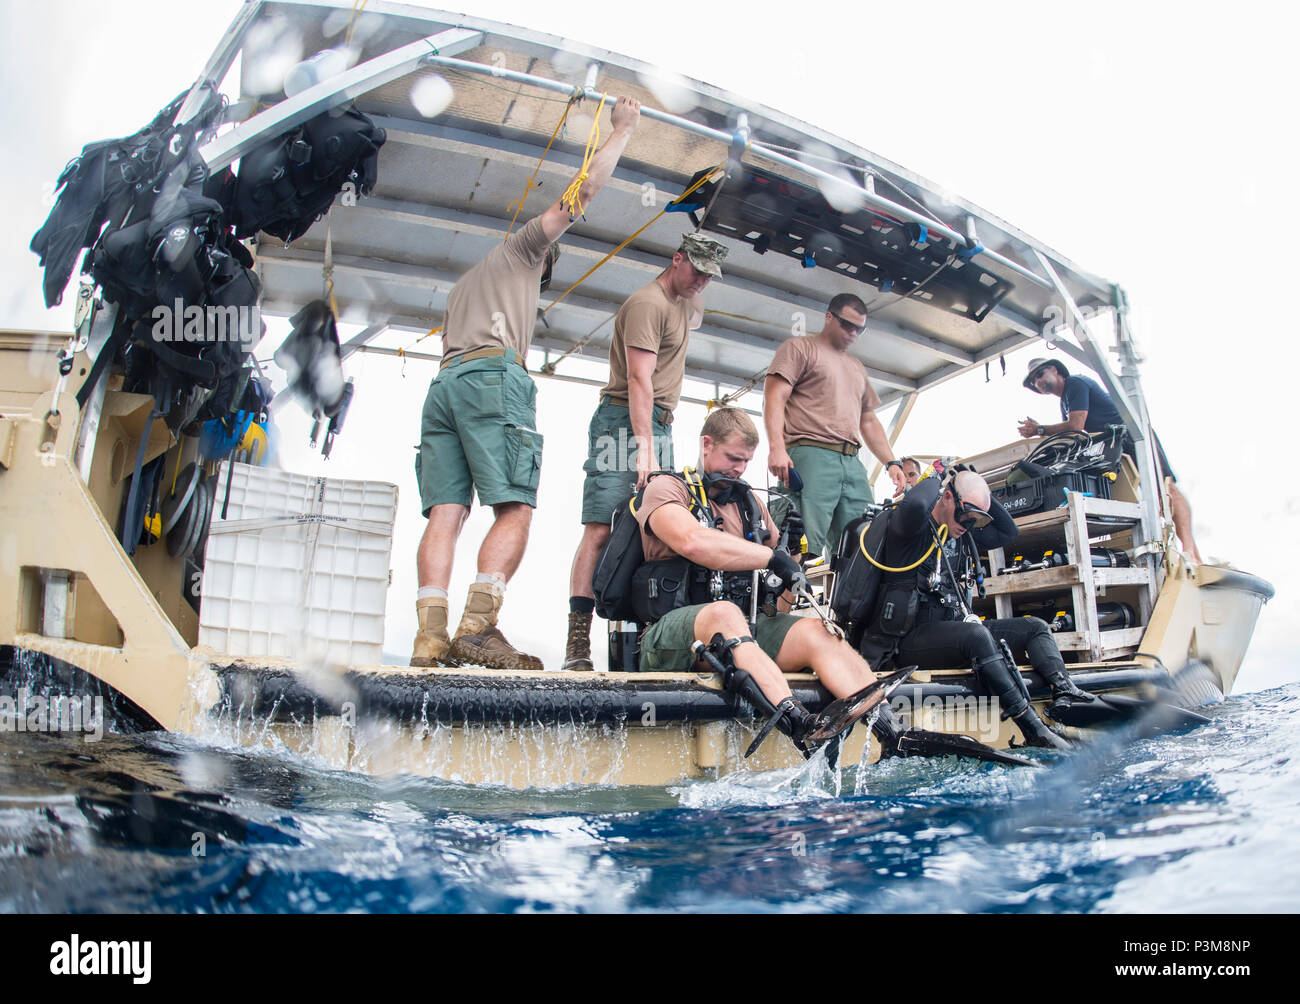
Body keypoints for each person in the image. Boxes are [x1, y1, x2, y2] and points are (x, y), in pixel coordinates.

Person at [411, 96, 642, 670]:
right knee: (514, 506)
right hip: (492, 378)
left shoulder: (466, 285)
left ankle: (430, 638)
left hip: (445, 384)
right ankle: (478, 627)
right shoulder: (523, 250)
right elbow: (581, 194)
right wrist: (624, 130)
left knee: (446, 512)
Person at [631, 407, 885, 754]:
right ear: (706, 444)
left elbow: (775, 606)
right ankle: (800, 723)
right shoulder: (666, 489)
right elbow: (692, 540)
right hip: (670, 641)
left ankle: (887, 725)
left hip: (740, 636)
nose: (739, 469)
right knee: (723, 613)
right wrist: (770, 556)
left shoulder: (750, 505)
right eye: (733, 458)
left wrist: (792, 556)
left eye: (746, 462)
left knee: (816, 630)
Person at [561, 232, 727, 671]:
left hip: (659, 426)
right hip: (625, 424)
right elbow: (639, 381)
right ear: (676, 259)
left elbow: (696, 302)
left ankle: (647, 642)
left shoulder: (685, 303)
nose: (702, 281)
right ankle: (577, 644)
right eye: (696, 271)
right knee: (602, 528)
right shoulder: (647, 304)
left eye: (710, 276)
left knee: (653, 534)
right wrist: (646, 453)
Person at [857, 467, 1072, 749]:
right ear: (947, 497)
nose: (969, 525)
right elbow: (917, 502)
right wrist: (941, 476)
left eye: (977, 519)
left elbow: (1008, 531)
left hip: (952, 633)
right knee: (977, 636)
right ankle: (1033, 729)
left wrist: (976, 487)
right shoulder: (910, 528)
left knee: (1035, 628)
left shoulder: (960, 534)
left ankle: (1066, 697)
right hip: (908, 640)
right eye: (967, 515)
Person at [764, 293, 908, 560]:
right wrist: (776, 448)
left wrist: (891, 462)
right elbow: (775, 396)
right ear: (829, 317)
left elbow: (868, 419)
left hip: (852, 462)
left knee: (864, 545)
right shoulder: (799, 348)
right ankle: (776, 603)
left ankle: (845, 603)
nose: (853, 333)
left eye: (859, 329)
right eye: (847, 324)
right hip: (810, 453)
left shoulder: (856, 366)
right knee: (798, 544)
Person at [1017, 357, 1201, 562]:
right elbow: (1072, 437)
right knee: (1148, 499)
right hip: (1113, 448)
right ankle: (1187, 556)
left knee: (1166, 489)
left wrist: (1039, 430)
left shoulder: (1075, 384)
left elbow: (1076, 425)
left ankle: (1190, 551)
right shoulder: (1065, 401)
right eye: (1033, 381)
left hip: (1133, 436)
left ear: (1055, 369)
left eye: (1039, 374)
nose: (1037, 382)